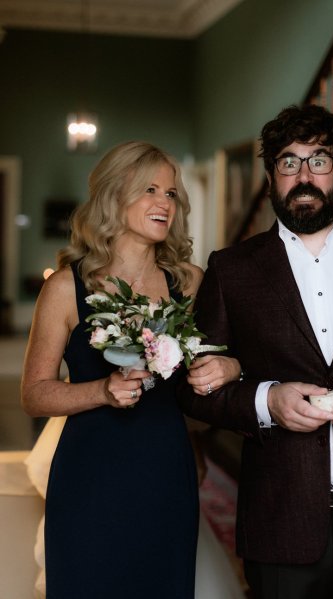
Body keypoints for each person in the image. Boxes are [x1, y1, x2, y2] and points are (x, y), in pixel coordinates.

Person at [178, 104, 333, 599]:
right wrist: (265, 401)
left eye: (320, 160)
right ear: (272, 177)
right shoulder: (232, 270)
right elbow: (195, 389)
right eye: (289, 162)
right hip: (280, 524)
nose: (304, 175)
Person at [21, 141, 241, 598]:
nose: (164, 203)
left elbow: (216, 368)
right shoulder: (67, 287)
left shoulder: (190, 283)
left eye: (172, 193)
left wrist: (229, 367)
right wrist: (101, 391)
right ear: (113, 196)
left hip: (165, 469)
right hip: (89, 473)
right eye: (150, 190)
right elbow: (34, 394)